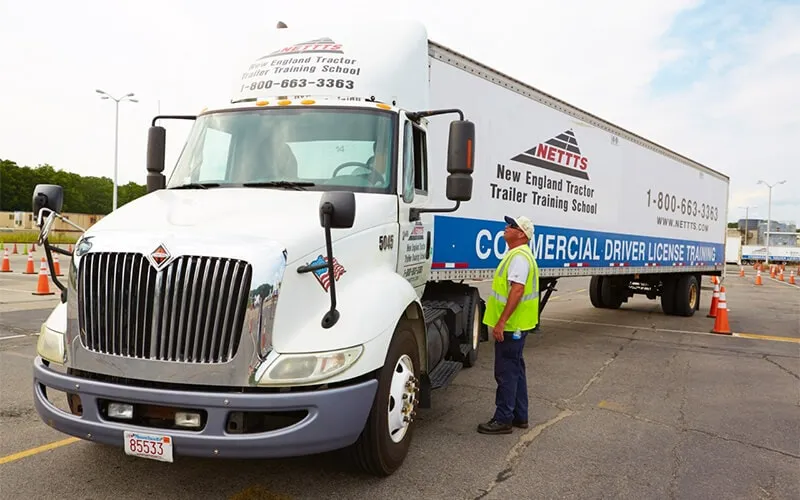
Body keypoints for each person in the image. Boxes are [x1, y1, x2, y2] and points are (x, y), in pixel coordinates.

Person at [478, 215, 540, 435]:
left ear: (521, 234)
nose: (506, 227)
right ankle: (519, 416)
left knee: (506, 372)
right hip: (518, 325)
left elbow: (517, 289)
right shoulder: (518, 255)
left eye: (512, 226)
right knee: (516, 369)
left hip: (512, 326)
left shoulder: (519, 257)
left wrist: (501, 322)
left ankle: (503, 419)